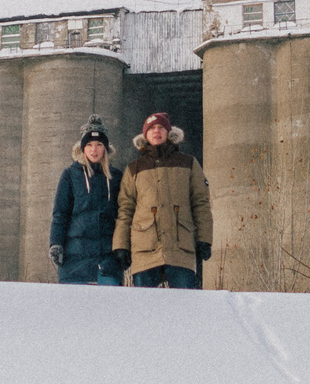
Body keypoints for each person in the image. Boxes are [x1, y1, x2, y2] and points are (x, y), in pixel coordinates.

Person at [113, 111, 211, 289]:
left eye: (160, 128)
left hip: (180, 249)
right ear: (145, 135)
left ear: (169, 132)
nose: (156, 131)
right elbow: (125, 209)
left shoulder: (188, 163)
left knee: (184, 308)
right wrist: (121, 245)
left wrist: (204, 239)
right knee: (145, 310)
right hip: (144, 249)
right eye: (151, 128)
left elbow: (200, 203)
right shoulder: (133, 169)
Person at [47, 119, 124, 286]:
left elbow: (125, 215)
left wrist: (124, 248)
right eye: (89, 145)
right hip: (74, 261)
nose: (94, 150)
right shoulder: (70, 175)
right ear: (82, 148)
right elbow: (60, 213)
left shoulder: (117, 177)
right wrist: (56, 244)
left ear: (106, 148)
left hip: (107, 261)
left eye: (98, 144)